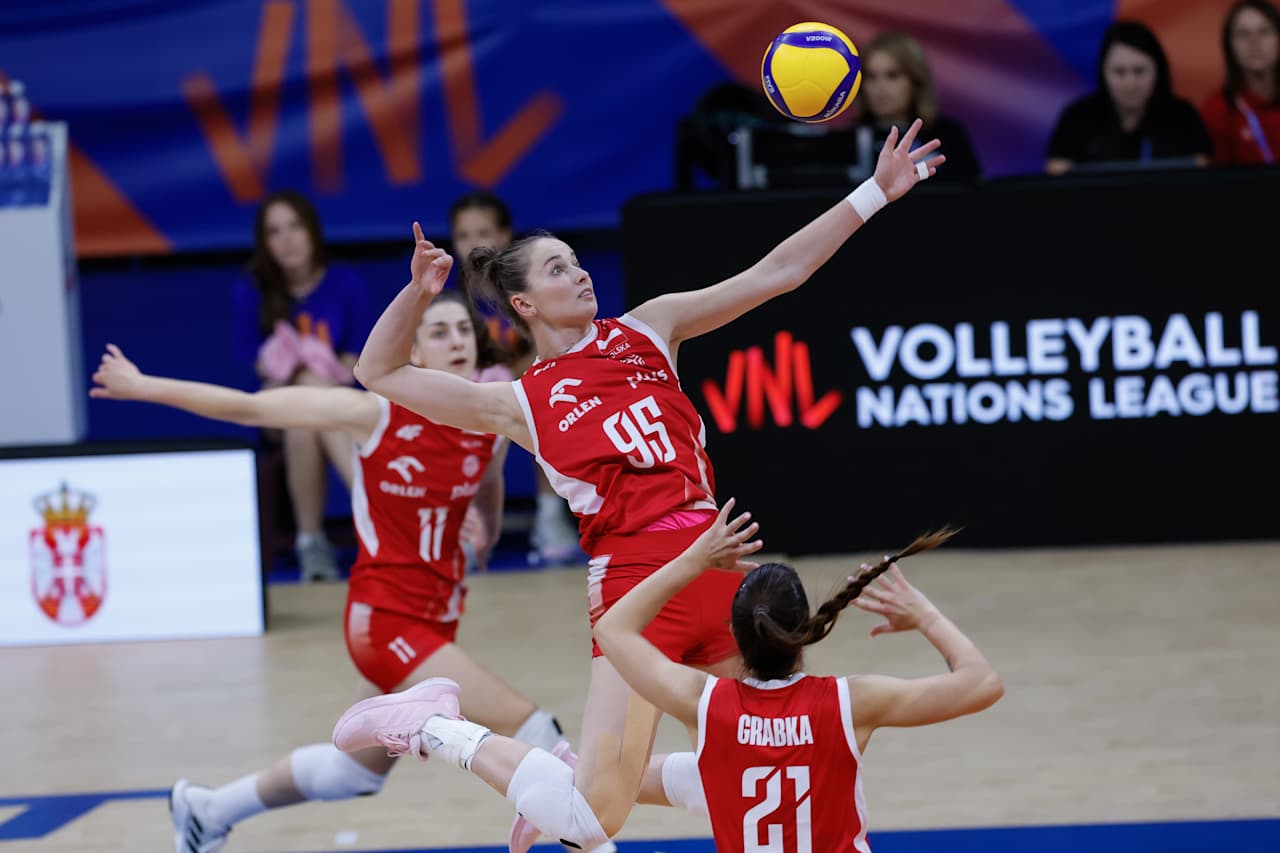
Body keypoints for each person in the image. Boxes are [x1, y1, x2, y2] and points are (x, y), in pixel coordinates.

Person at [348, 120, 943, 848]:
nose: (581, 273)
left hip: (720, 558)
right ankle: (429, 725)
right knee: (596, 818)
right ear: (526, 303)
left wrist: (873, 195)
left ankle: (558, 775)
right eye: (558, 269)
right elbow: (377, 373)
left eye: (578, 261)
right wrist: (415, 294)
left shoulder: (650, 328)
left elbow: (778, 272)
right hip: (636, 587)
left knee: (785, 748)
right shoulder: (518, 401)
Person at [90, 292, 569, 853]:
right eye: (439, 332)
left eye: (463, 329)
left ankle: (207, 809)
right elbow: (251, 408)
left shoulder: (486, 413)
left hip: (435, 621)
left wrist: (485, 522)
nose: (458, 340)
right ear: (411, 351)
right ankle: (592, 838)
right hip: (385, 619)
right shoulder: (372, 412)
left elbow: (488, 475)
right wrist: (144, 385)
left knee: (354, 774)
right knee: (535, 729)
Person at [326, 503, 1001, 853]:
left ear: (732, 639)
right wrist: (925, 614)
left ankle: (538, 773)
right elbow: (981, 683)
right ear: (807, 634)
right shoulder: (854, 700)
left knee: (684, 781)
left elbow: (617, 629)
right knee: (653, 792)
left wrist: (690, 560)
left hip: (725, 757)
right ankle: (435, 726)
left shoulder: (705, 700)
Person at [234, 189, 374, 580]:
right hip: (274, 403)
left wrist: (314, 361)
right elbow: (262, 373)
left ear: (312, 231)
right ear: (264, 243)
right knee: (301, 402)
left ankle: (309, 543)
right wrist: (290, 364)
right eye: (274, 231)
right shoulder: (252, 288)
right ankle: (374, 508)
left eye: (294, 227)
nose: (287, 239)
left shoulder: (346, 282)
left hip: (335, 399)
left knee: (304, 420)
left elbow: (356, 364)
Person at [449, 190, 583, 566]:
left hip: (525, 390)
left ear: (506, 236)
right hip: (474, 399)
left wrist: (509, 376)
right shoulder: (449, 301)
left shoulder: (526, 291)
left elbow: (549, 347)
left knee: (550, 402)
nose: (474, 243)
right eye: (463, 235)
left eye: (484, 232)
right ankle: (461, 523)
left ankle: (548, 515)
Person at [1046, 21, 1211, 174]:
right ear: (1104, 73)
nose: (1130, 84)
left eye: (1139, 71)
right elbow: (1057, 175)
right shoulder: (1077, 118)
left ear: (1157, 71)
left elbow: (1200, 174)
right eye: (1119, 72)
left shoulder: (1183, 117)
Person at [854, 31, 982, 182]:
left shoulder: (948, 135)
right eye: (871, 77)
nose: (880, 87)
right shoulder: (849, 140)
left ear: (916, 82)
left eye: (892, 75)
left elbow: (972, 195)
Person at [1201, 0, 1280, 166]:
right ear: (1230, 45)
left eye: (1264, 32)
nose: (1254, 42)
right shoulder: (1218, 111)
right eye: (1243, 34)